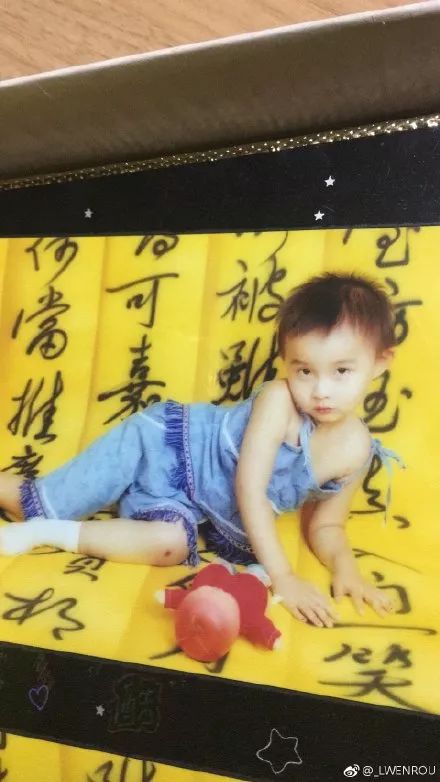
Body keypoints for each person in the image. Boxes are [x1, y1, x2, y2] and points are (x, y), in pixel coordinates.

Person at [0, 271, 404, 629]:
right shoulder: (278, 401)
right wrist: (284, 577)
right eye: (304, 371)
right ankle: (38, 517)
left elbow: (327, 526)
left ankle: (42, 534)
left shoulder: (356, 450)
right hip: (160, 447)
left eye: (342, 370)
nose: (320, 390)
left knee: (170, 545)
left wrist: (346, 568)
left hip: (191, 503)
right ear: (287, 362)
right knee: (38, 501)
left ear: (380, 362)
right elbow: (249, 489)